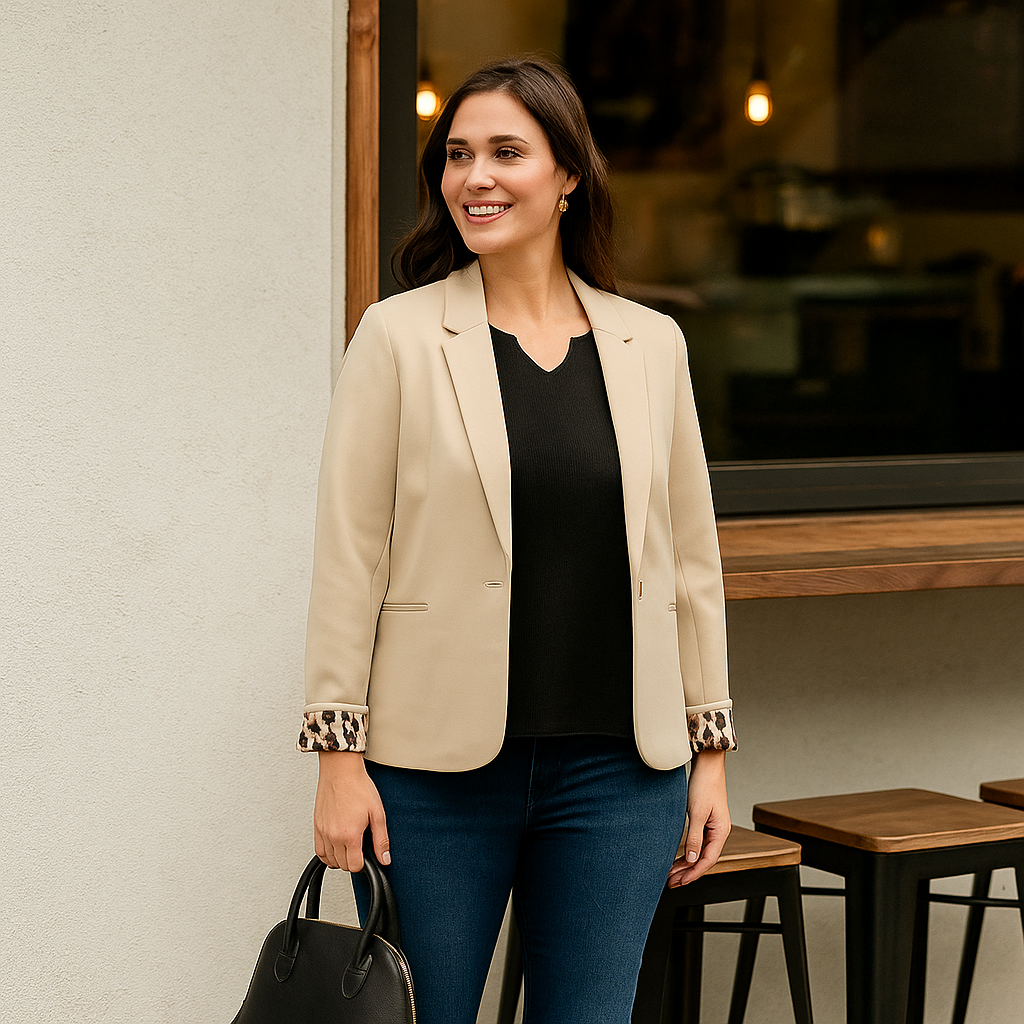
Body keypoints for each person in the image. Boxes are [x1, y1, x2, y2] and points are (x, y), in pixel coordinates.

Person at [299, 55, 736, 1024]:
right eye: (457, 155)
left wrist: (709, 750)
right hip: (433, 777)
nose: (474, 177)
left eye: (506, 151)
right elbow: (349, 555)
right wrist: (338, 756)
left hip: (621, 776)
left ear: (569, 173)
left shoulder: (649, 343)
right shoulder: (398, 337)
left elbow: (687, 560)